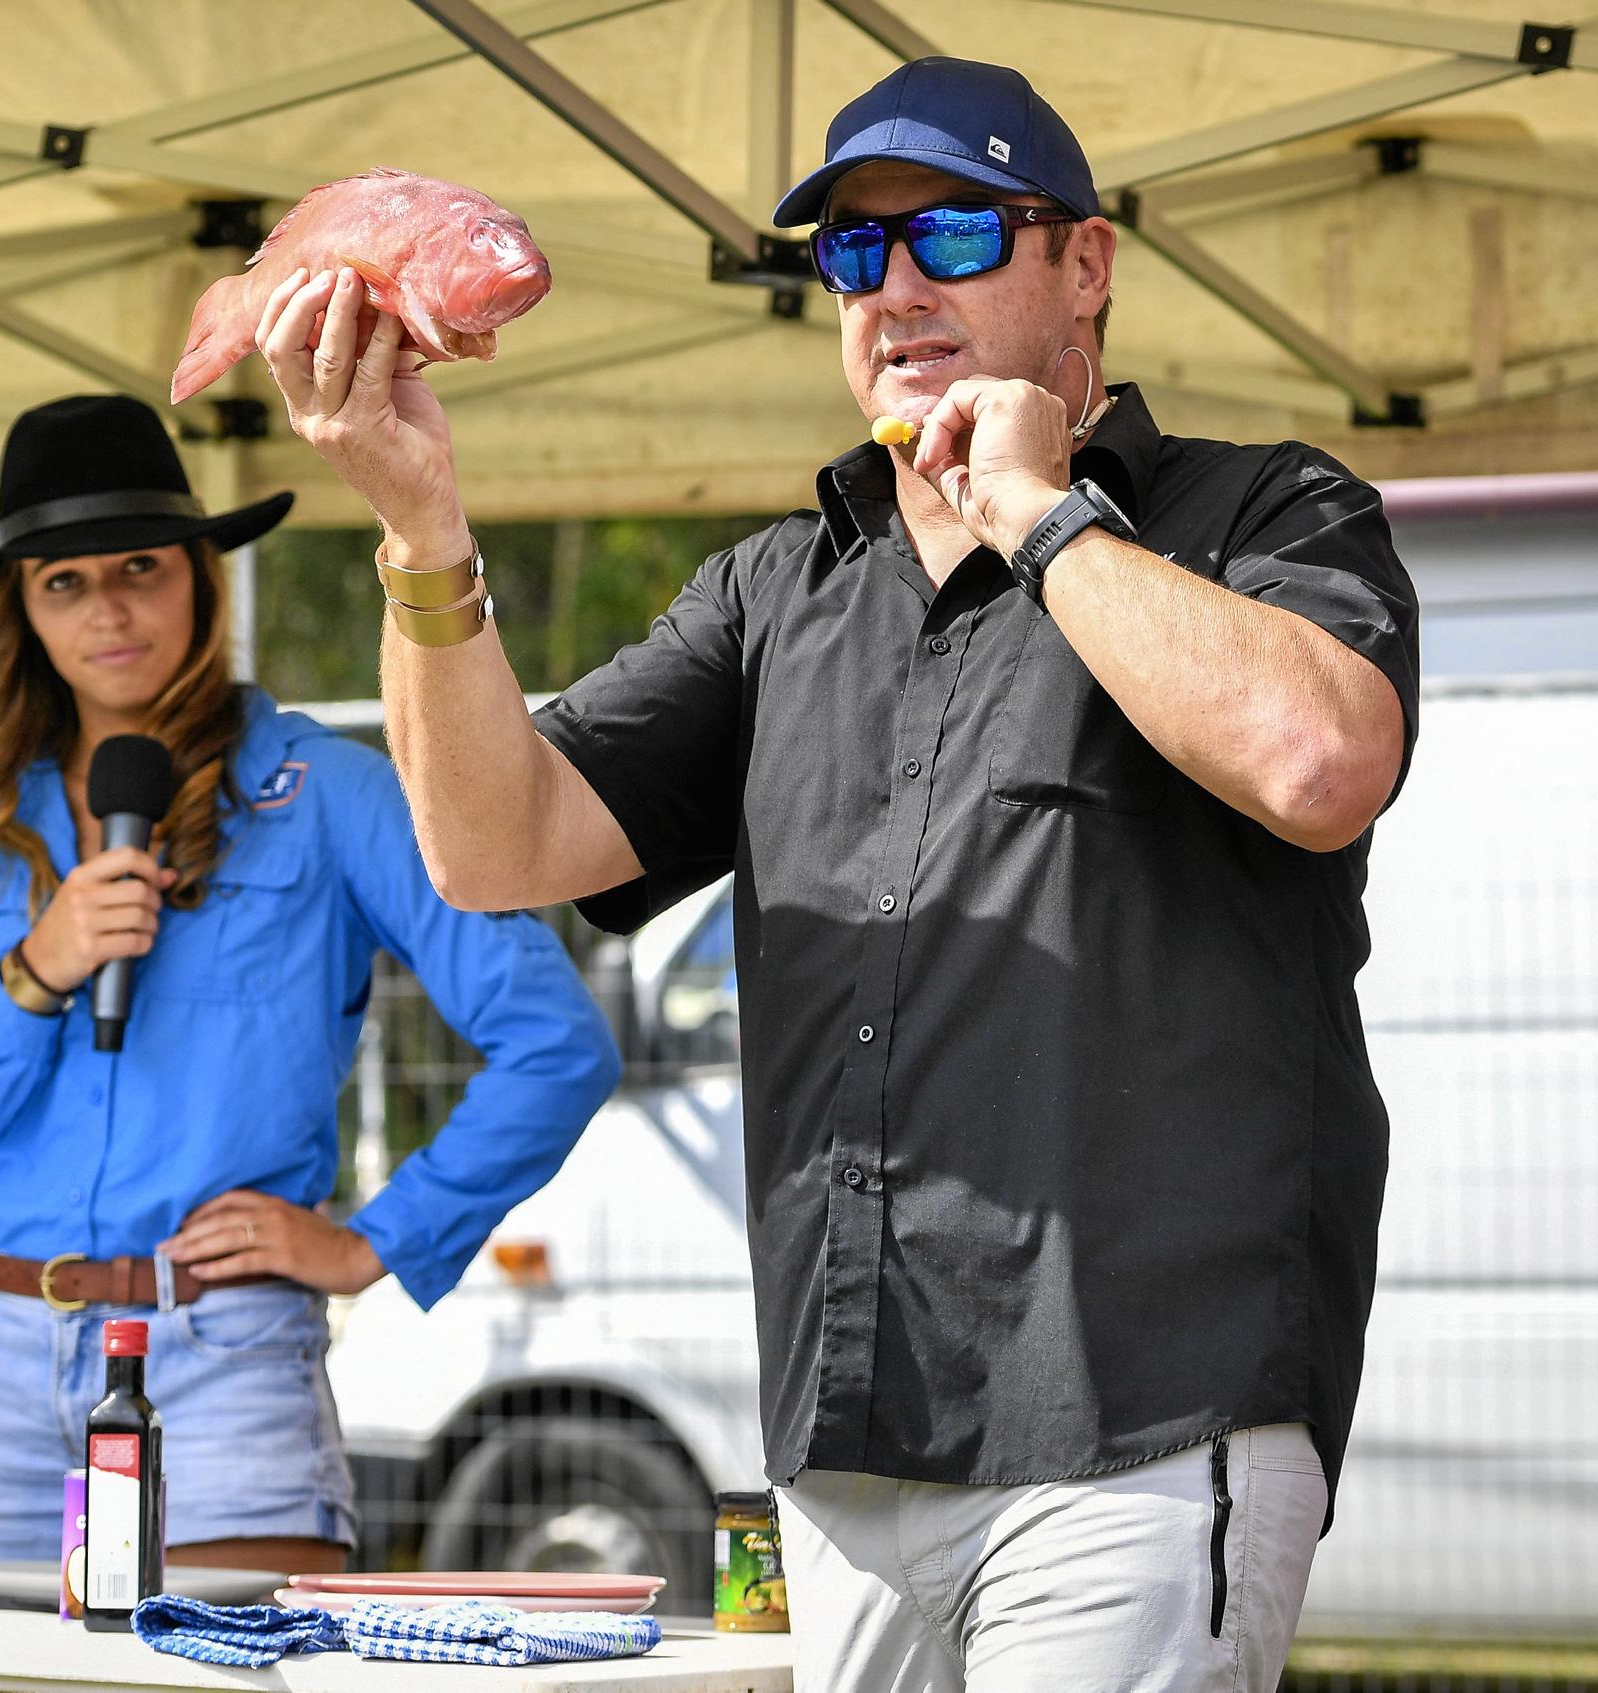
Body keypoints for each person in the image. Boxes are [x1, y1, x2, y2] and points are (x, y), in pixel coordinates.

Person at [247, 54, 1421, 1693]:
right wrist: (419, 532)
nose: (892, 286)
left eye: (948, 233)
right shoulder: (779, 589)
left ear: (1082, 267)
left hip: (1141, 1425)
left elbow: (1316, 759)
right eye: (853, 255)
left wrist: (1038, 508)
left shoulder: (1251, 510)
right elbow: (491, 841)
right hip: (847, 1443)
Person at [0, 394, 622, 1575]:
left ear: (201, 581)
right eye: (62, 581)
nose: (108, 608)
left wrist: (373, 1243)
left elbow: (558, 1044)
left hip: (219, 1358)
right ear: (18, 605)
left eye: (139, 568)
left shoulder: (326, 792)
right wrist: (37, 970)